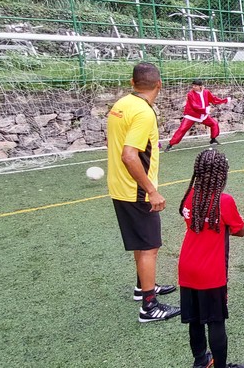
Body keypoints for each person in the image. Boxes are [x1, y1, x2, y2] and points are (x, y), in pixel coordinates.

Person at [106, 62, 180, 323]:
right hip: (136, 190)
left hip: (119, 185)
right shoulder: (143, 112)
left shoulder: (120, 105)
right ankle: (149, 306)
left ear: (131, 82)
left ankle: (143, 287)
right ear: (159, 84)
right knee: (150, 246)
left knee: (142, 242)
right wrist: (151, 190)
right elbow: (129, 155)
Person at [177, 149, 244, 368]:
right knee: (216, 321)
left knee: (195, 320)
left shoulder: (189, 195)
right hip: (211, 272)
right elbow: (239, 230)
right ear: (223, 173)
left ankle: (201, 361)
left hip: (187, 267)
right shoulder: (224, 201)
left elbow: (190, 220)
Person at [165, 79, 229, 152]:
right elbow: (194, 106)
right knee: (182, 129)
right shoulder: (190, 94)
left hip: (202, 115)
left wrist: (225, 100)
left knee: (214, 124)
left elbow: (214, 99)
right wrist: (206, 110)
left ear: (200, 86)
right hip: (191, 115)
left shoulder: (206, 92)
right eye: (193, 85)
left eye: (195, 86)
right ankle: (170, 144)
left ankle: (213, 139)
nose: (193, 87)